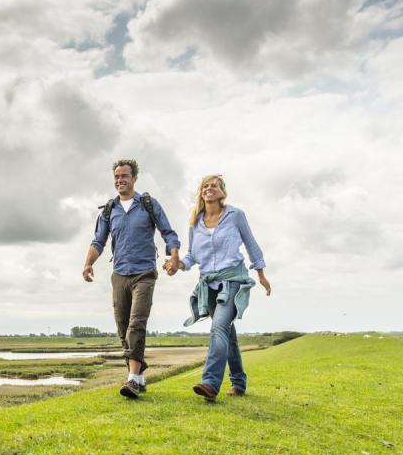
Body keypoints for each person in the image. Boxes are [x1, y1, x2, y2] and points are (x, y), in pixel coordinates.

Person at [164, 175, 271, 402]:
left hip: (233, 280)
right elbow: (192, 255)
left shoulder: (235, 216)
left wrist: (260, 273)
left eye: (214, 185)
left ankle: (210, 383)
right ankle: (239, 382)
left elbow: (251, 244)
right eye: (205, 186)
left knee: (218, 328)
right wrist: (178, 264)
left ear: (223, 192)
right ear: (201, 193)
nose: (209, 188)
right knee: (227, 334)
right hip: (209, 285)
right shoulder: (196, 221)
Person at [83, 159, 180, 399]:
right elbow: (98, 241)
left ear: (135, 178)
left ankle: (132, 380)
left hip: (144, 272)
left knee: (137, 323)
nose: (120, 180)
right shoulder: (109, 210)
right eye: (116, 177)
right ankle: (139, 375)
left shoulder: (147, 204)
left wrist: (174, 256)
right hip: (119, 274)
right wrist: (88, 263)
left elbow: (168, 232)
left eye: (124, 176)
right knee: (123, 327)